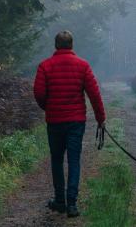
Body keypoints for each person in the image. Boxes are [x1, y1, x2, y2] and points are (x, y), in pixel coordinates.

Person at [33, 30, 107, 218]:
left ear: (56, 45)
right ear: (72, 45)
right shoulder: (82, 66)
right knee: (74, 161)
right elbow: (94, 94)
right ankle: (72, 205)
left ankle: (60, 201)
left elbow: (39, 93)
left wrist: (48, 107)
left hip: (54, 121)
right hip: (76, 122)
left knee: (57, 160)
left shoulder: (45, 66)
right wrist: (100, 118)